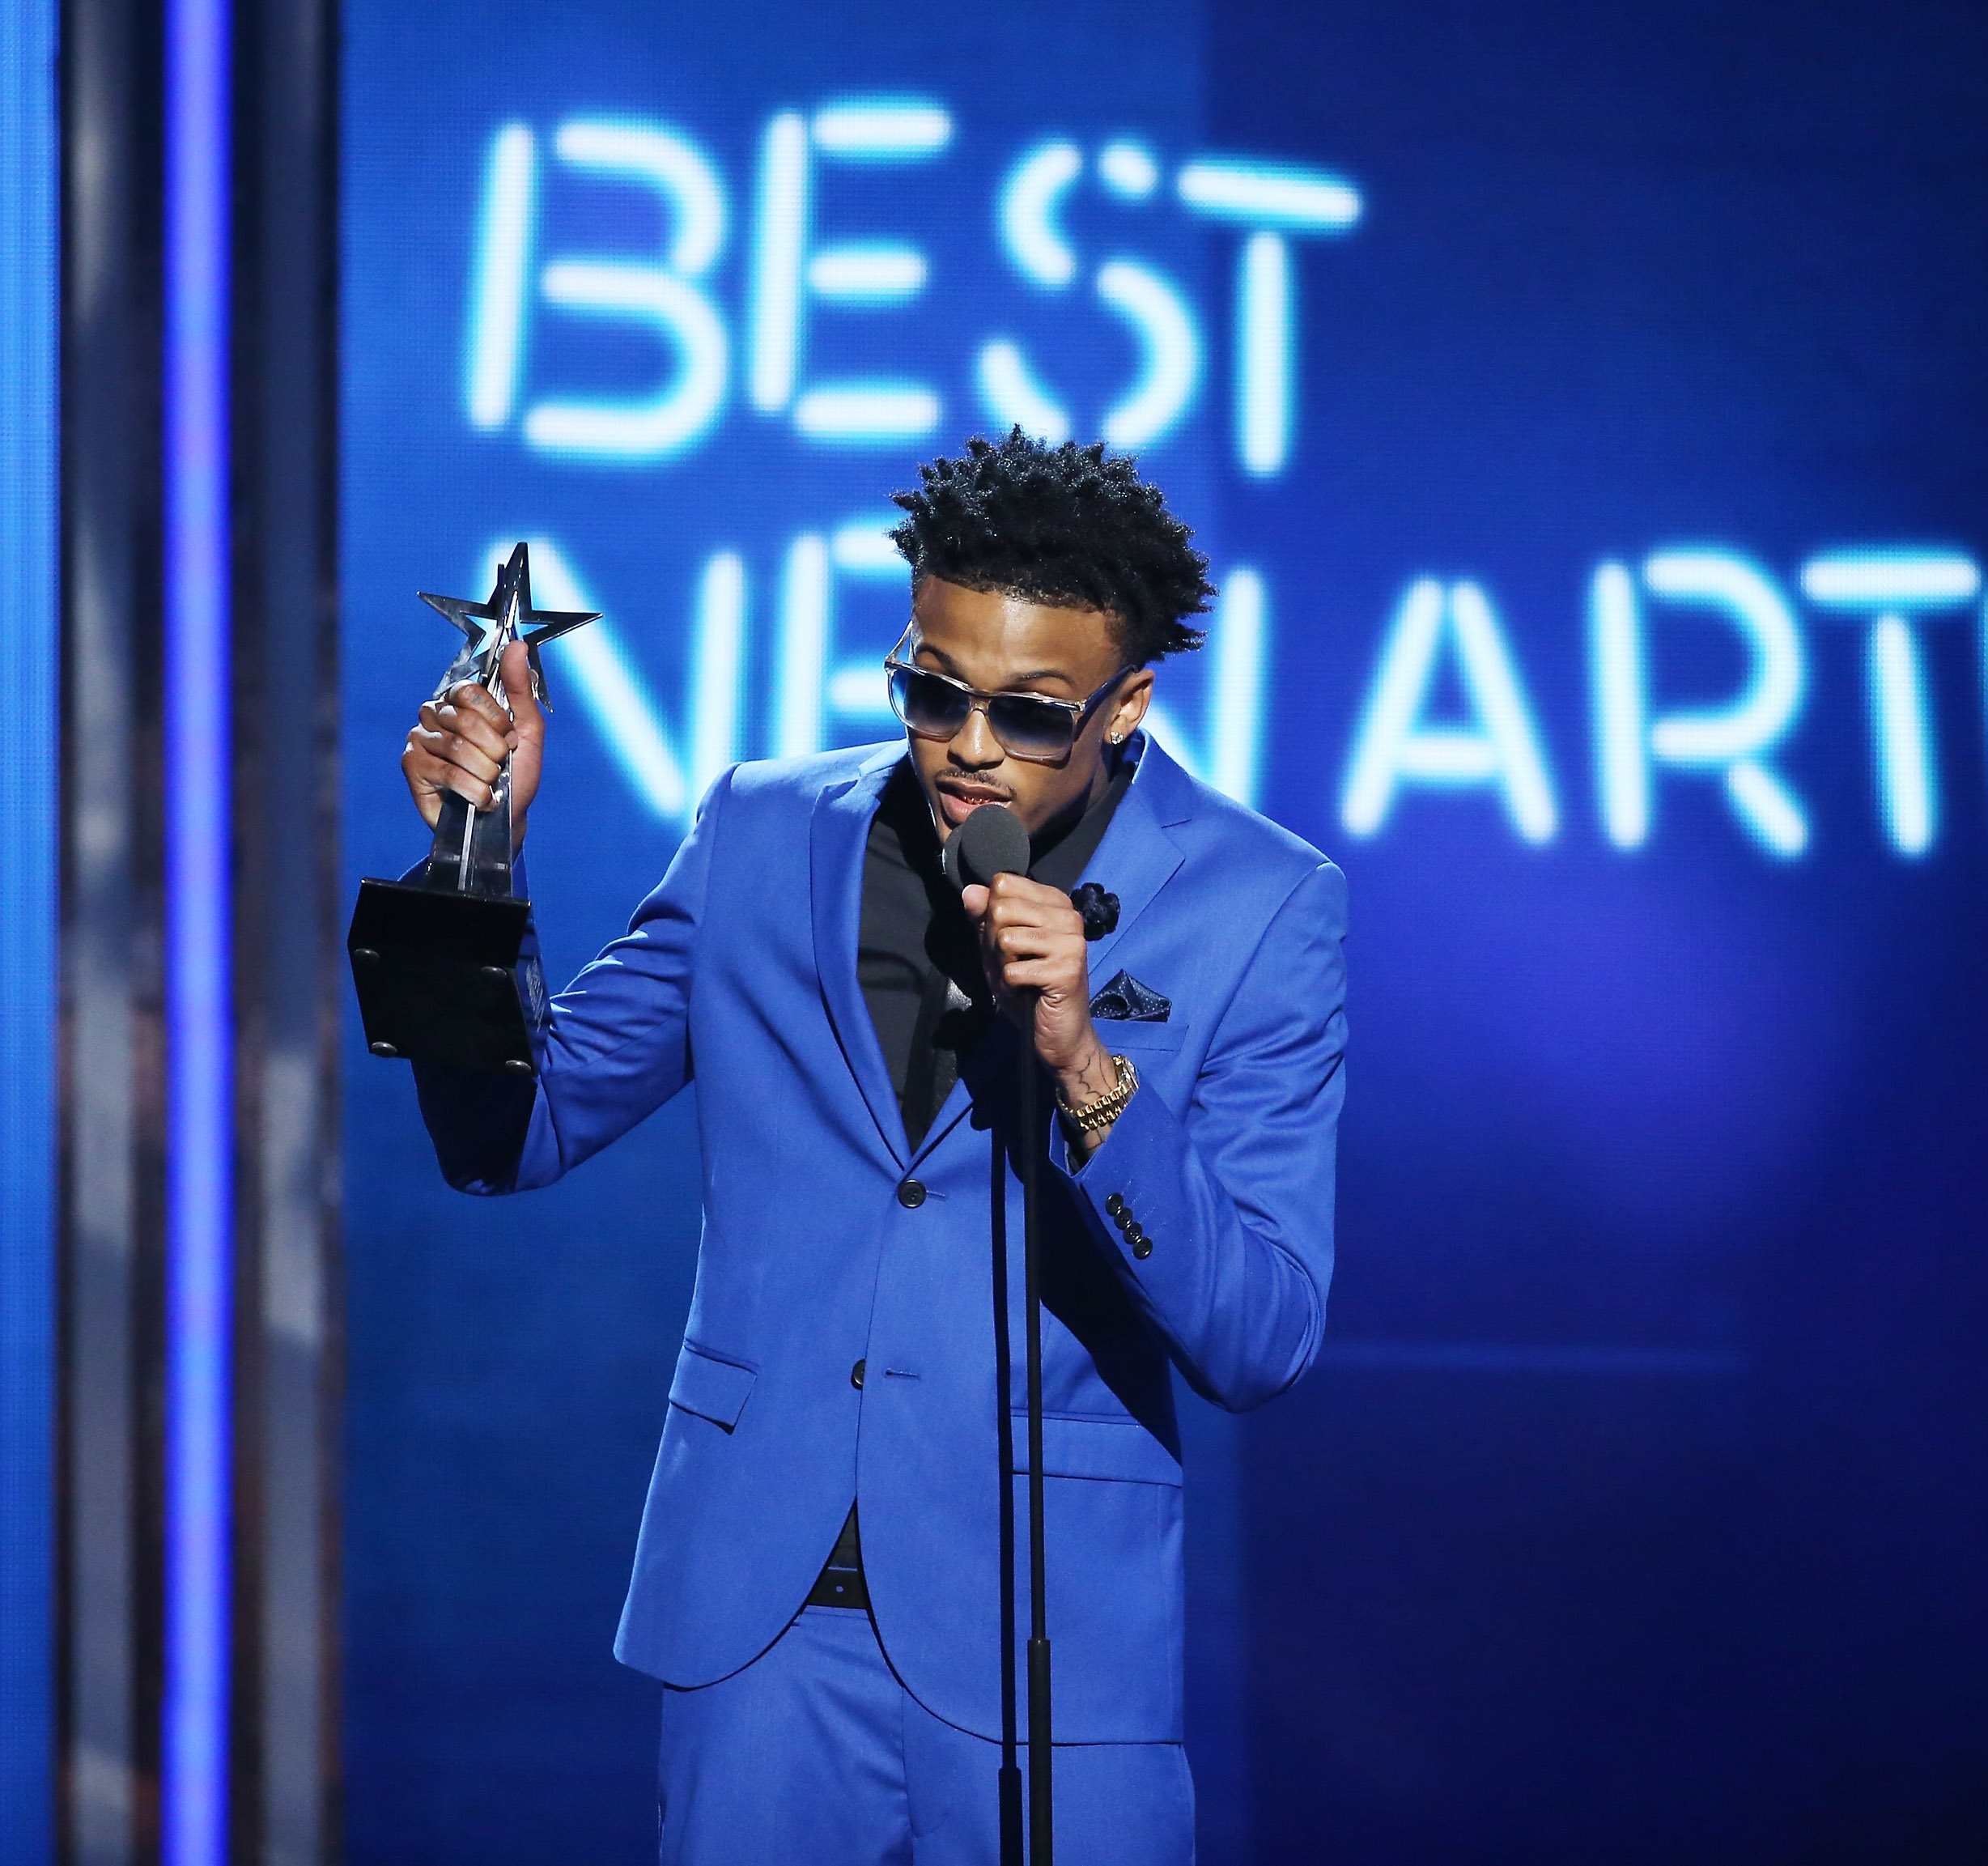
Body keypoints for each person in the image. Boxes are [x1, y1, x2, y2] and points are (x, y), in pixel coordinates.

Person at [400, 431, 1348, 1864]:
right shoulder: (761, 830)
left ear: (1129, 702)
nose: (969, 744)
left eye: (1031, 714)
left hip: (1045, 1633)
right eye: (931, 689)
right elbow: (513, 1130)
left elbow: (1261, 1336)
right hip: (758, 1625)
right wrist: (472, 863)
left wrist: (1087, 1072)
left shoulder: (1263, 902)